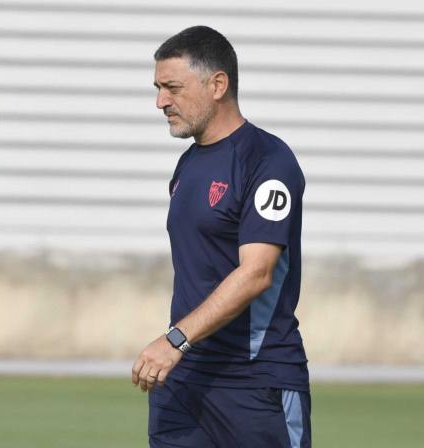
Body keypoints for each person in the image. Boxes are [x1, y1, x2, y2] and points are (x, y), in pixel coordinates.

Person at [131, 26, 311, 447]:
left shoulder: (268, 162)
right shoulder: (187, 167)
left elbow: (257, 273)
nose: (160, 102)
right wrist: (180, 348)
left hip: (255, 384)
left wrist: (176, 338)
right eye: (158, 88)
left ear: (217, 84)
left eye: (172, 87)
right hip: (184, 381)